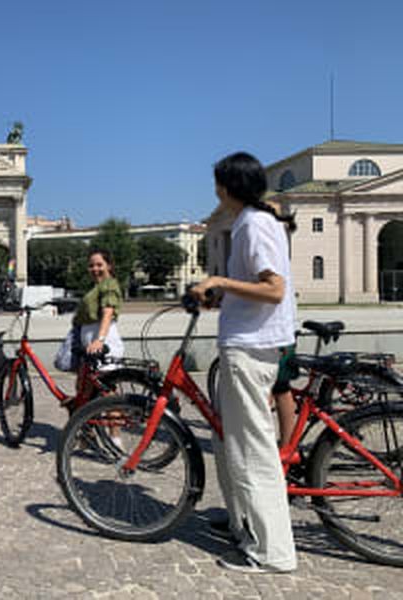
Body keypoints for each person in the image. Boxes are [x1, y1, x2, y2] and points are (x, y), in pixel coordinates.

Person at [192, 151, 297, 574]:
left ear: (227, 187)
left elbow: (273, 289)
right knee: (232, 442)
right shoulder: (253, 221)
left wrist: (218, 281)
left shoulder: (254, 225)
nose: (215, 190)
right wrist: (223, 295)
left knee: (253, 451)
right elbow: (257, 288)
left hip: (251, 349)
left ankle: (273, 553)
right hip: (247, 343)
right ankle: (244, 524)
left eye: (218, 183)